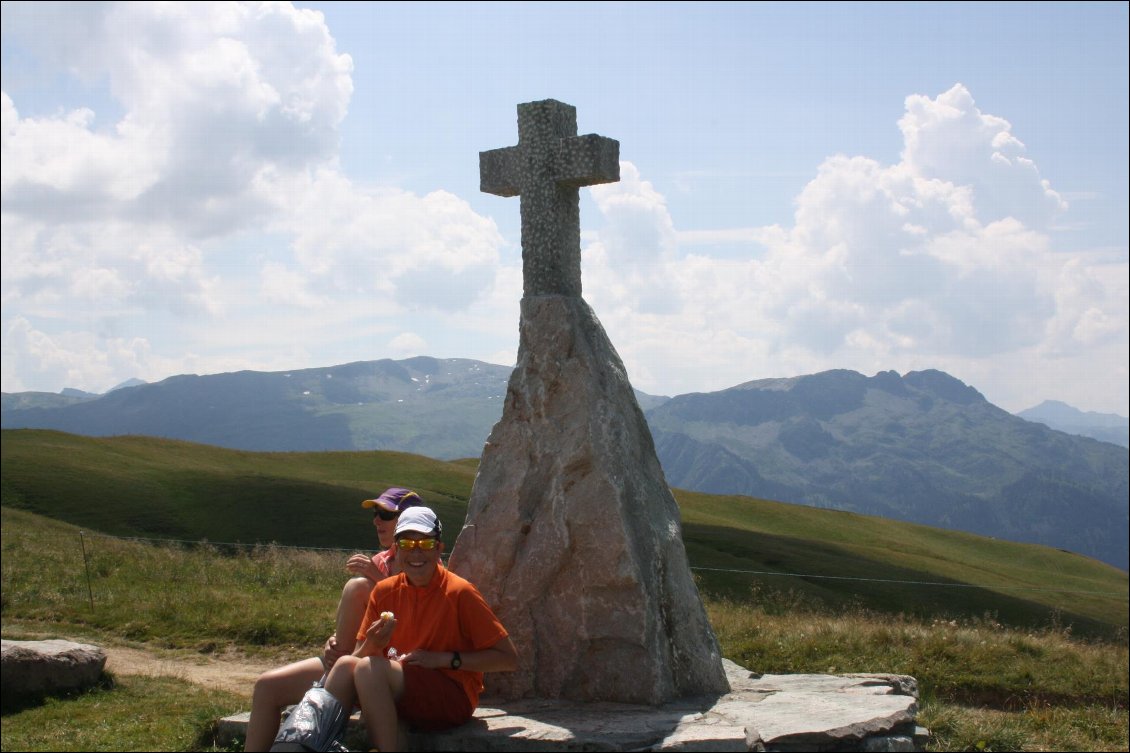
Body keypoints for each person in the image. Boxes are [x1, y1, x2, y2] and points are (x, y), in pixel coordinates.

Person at [321, 506, 518, 752]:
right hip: (402, 685)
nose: (416, 552)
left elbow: (508, 659)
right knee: (343, 667)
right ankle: (314, 743)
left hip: (451, 694)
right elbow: (359, 658)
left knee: (369, 670)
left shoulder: (459, 592)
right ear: (396, 549)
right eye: (406, 543)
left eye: (425, 543)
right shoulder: (384, 591)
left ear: (438, 549)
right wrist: (371, 645)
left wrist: (443, 659)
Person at [244, 487, 423, 752]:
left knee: (357, 586)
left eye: (385, 514)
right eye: (376, 514)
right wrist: (334, 642)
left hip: (378, 672)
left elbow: (420, 621)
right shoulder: (382, 561)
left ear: (408, 519)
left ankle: (330, 689)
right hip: (350, 660)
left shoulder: (423, 564)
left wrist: (377, 579)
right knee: (266, 686)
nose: (376, 521)